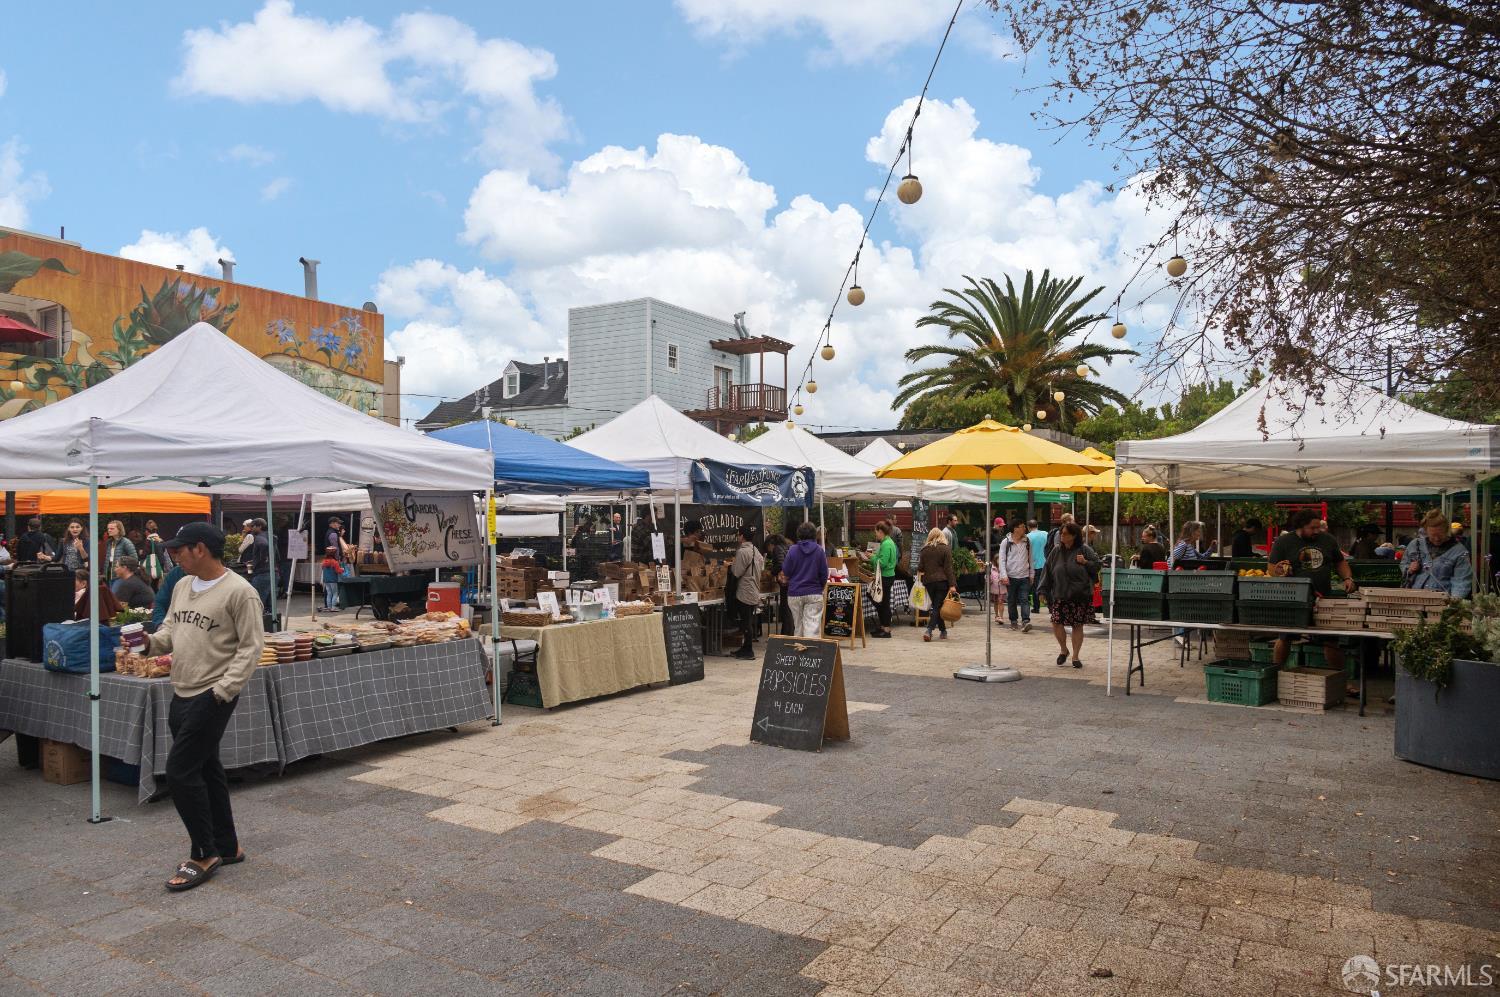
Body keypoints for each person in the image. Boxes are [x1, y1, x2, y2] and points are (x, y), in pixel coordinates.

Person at [148, 523, 264, 892]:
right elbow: (170, 630)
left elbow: (251, 647)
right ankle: (227, 847)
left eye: (178, 549)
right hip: (181, 687)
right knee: (206, 767)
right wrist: (144, 644)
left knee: (180, 772)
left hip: (212, 693)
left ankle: (204, 852)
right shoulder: (183, 585)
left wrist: (224, 690)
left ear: (199, 548)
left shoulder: (240, 592)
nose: (173, 555)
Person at [1269, 508, 1357, 672]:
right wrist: (1279, 571)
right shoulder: (1284, 542)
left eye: (1318, 527)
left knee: (1331, 640)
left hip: (1323, 598)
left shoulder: (1328, 540)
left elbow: (1340, 562)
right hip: (1294, 600)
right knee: (1285, 637)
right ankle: (1275, 673)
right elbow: (1272, 568)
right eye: (1313, 528)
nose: (1317, 531)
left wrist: (1347, 578)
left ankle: (1340, 679)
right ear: (1301, 526)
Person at [1039, 522, 1100, 669]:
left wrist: (1085, 562)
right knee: (1056, 622)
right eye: (1061, 533)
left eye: (1065, 533)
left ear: (1073, 535)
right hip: (1061, 593)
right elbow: (1047, 570)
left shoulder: (1084, 549)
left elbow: (1097, 566)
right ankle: (1064, 650)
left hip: (1080, 594)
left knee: (1077, 625)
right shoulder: (1056, 551)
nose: (1062, 535)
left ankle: (1075, 656)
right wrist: (1042, 590)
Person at [1403, 510, 1472, 598]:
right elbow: (1404, 564)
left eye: (1440, 535)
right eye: (1432, 535)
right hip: (1414, 598)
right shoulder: (1415, 545)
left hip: (1441, 601)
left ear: (1447, 530)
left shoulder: (1459, 551)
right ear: (1426, 532)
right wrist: (1409, 569)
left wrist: (1453, 604)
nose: (1436, 539)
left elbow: (1461, 582)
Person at [781, 521, 830, 637]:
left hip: (795, 593)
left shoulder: (792, 550)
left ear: (799, 534)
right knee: (812, 627)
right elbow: (824, 574)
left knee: (798, 626)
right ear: (814, 534)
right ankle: (811, 653)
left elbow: (786, 571)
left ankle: (798, 652)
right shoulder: (819, 551)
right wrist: (820, 587)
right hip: (814, 593)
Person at [730, 525, 766, 659]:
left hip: (745, 590)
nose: (738, 537)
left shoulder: (742, 552)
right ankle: (745, 648)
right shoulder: (756, 551)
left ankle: (748, 650)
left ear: (742, 536)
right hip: (754, 589)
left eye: (738, 534)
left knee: (746, 622)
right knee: (748, 619)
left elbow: (736, 572)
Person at [916, 527, 956, 642]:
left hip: (928, 582)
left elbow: (920, 567)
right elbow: (948, 569)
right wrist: (952, 584)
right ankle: (929, 630)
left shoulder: (924, 550)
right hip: (942, 582)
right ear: (941, 536)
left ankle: (943, 631)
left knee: (936, 606)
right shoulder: (945, 549)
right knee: (937, 606)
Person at [999, 522, 1035, 632]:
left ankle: (1025, 621)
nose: (1025, 528)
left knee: (1024, 599)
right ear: (1015, 528)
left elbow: (1030, 558)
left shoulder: (1027, 541)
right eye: (1022, 526)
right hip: (1011, 576)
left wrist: (1032, 574)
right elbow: (1002, 559)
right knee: (1011, 600)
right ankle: (1013, 621)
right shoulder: (1006, 542)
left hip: (1024, 576)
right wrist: (1004, 575)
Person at [870, 522, 898, 638]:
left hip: (885, 577)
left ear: (881, 531)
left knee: (882, 602)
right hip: (887, 576)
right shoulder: (888, 542)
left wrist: (871, 557)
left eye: (876, 532)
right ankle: (883, 627)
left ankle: (886, 629)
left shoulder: (886, 544)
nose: (875, 534)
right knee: (880, 601)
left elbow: (882, 563)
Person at [243, 518, 273, 610]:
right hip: (270, 572)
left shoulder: (260, 537)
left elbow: (264, 545)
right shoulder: (269, 535)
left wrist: (261, 560)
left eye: (253, 526)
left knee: (256, 603)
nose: (251, 529)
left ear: (259, 526)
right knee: (268, 605)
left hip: (262, 573)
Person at [151, 563, 186, 631]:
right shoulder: (175, 573)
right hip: (171, 632)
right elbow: (159, 603)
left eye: (179, 552)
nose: (176, 559)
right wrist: (160, 625)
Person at [1027, 519, 1048, 613]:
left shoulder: (1027, 537)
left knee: (1036, 587)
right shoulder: (1045, 534)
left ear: (1028, 527)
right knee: (1047, 585)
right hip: (1045, 563)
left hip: (1034, 565)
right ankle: (1051, 606)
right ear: (1037, 526)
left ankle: (1036, 608)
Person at [987, 549, 1005, 623]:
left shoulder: (1003, 568)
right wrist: (988, 579)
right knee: (995, 602)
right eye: (998, 559)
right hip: (994, 588)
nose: (999, 561)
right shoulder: (992, 569)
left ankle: (1001, 616)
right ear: (995, 560)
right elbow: (988, 577)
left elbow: (1006, 576)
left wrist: (1004, 579)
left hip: (1002, 588)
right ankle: (996, 615)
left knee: (1001, 601)